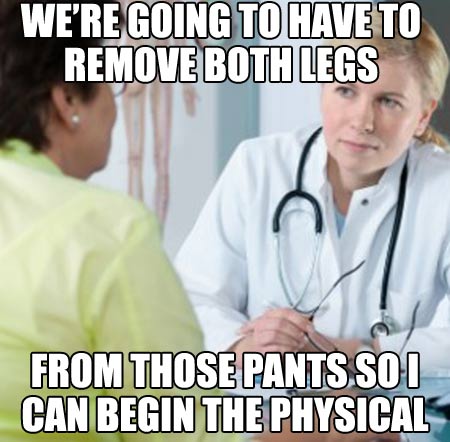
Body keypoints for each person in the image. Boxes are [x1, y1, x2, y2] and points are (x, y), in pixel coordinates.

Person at [175, 12, 450, 370]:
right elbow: (190, 299)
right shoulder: (258, 166)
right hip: (266, 397)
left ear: (423, 116)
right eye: (346, 90)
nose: (362, 121)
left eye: (388, 102)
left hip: (391, 402)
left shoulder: (441, 188)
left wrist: (359, 354)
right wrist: (247, 346)